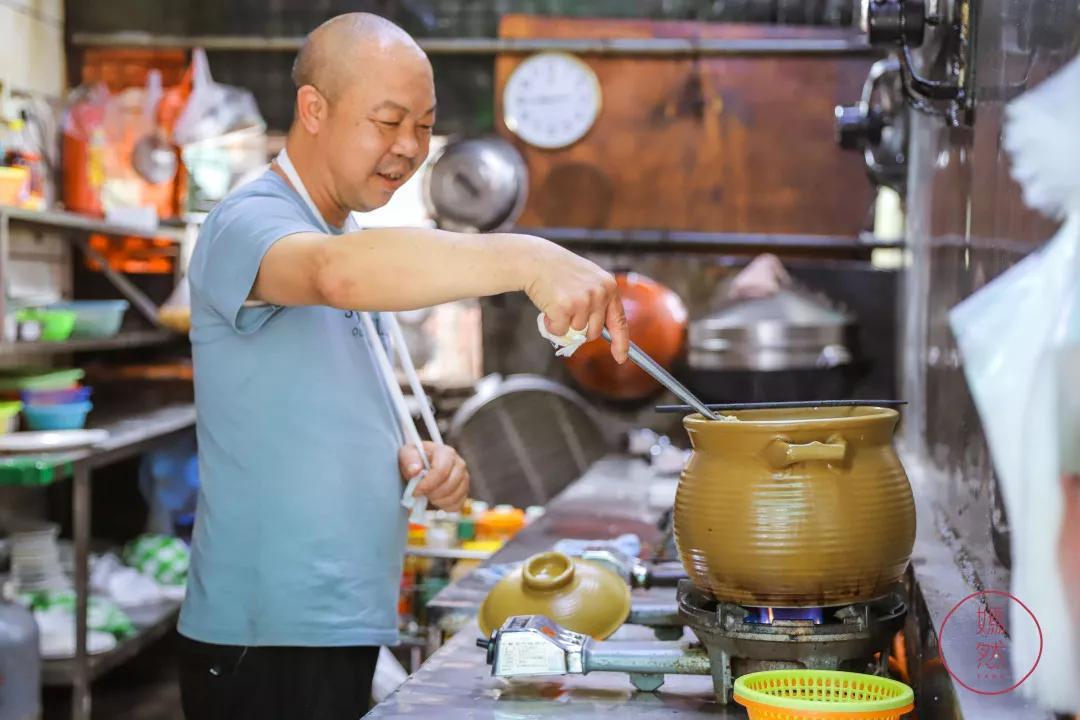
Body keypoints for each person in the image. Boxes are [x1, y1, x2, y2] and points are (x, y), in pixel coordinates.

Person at [175, 11, 629, 720]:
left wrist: (408, 458)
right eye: (387, 121)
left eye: (423, 125)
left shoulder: (345, 235)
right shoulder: (250, 224)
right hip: (264, 636)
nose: (409, 148)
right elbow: (332, 276)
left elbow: (315, 404)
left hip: (339, 620)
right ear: (314, 109)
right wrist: (529, 256)